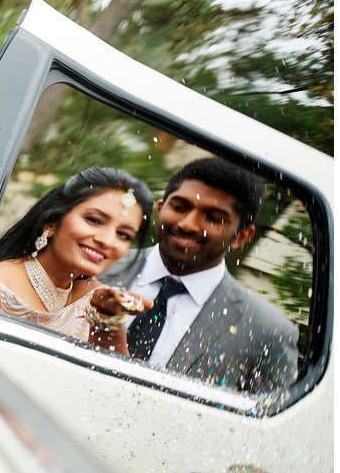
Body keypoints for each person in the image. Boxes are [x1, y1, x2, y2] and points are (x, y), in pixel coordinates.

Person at [99, 157, 298, 393]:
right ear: (161, 208)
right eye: (179, 207)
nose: (188, 224)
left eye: (214, 218)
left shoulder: (268, 331)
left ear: (241, 237)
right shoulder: (97, 266)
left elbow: (262, 423)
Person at [0, 167, 155, 354]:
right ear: (53, 222)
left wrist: (108, 317)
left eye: (123, 235)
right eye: (94, 220)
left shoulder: (96, 297)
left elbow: (114, 379)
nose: (108, 241)